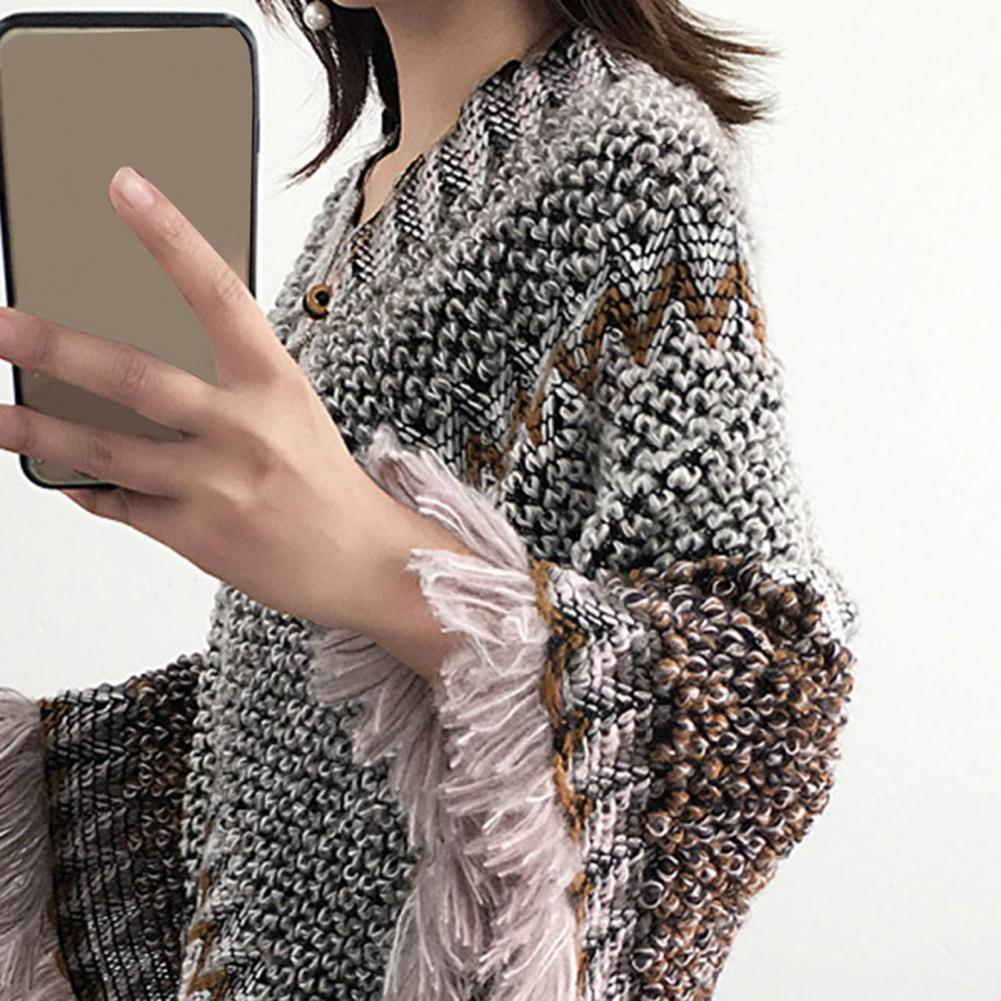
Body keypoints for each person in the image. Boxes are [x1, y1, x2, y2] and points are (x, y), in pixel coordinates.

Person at [0, 2, 861, 999]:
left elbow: (770, 686)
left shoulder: (632, 153)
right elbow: (329, 704)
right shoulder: (372, 191)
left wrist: (380, 564)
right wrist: (52, 783)